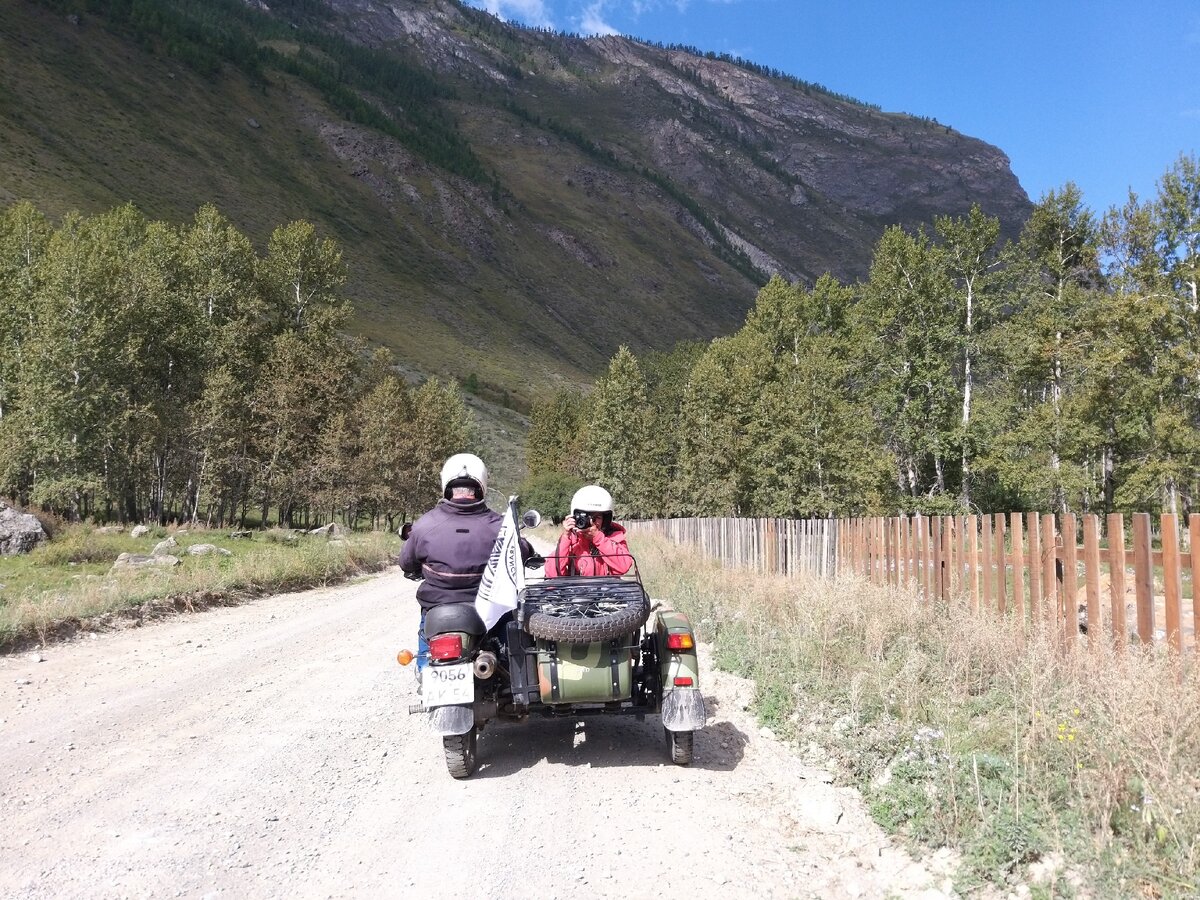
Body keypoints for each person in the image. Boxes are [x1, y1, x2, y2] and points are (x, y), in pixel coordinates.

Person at [400, 453, 528, 669]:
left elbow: (406, 563)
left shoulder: (424, 525)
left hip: (438, 606)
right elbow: (521, 553)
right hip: (488, 608)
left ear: (447, 485)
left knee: (426, 639)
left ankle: (425, 673)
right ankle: (511, 675)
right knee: (512, 649)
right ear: (481, 485)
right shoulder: (499, 525)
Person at [545, 484, 633, 578]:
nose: (592, 521)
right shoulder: (572, 540)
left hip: (607, 590)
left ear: (605, 519)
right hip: (576, 591)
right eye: (586, 516)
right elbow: (553, 574)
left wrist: (598, 538)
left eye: (597, 517)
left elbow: (623, 567)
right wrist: (566, 536)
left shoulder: (614, 537)